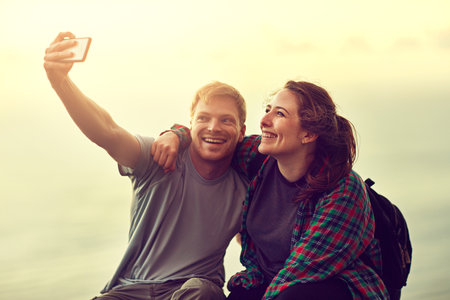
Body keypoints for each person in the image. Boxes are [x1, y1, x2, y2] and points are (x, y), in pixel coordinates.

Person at [43, 32, 253, 300]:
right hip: (130, 291)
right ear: (191, 124)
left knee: (200, 292)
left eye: (226, 120)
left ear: (241, 130)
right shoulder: (158, 156)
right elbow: (108, 131)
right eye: (204, 118)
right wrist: (60, 81)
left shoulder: (245, 189)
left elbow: (254, 240)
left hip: (191, 291)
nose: (213, 127)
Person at [154, 81, 389, 299]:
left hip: (327, 288)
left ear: (308, 134)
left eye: (279, 114)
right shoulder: (259, 159)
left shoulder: (342, 190)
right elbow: (216, 137)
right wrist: (176, 135)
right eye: (268, 109)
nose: (264, 120)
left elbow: (298, 273)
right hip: (266, 282)